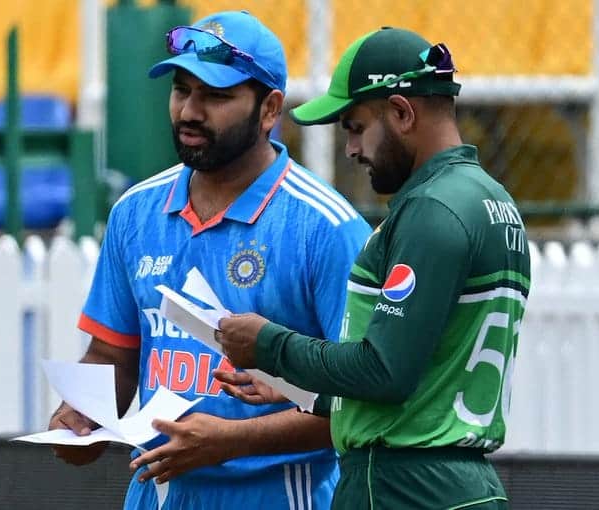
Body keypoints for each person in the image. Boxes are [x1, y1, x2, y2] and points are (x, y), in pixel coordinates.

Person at [48, 10, 371, 510]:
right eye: (181, 90)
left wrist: (234, 440)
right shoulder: (136, 212)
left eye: (216, 96)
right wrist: (81, 417)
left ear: (270, 110)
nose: (189, 112)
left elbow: (361, 402)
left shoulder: (326, 228)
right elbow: (113, 356)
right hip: (158, 496)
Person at [217, 27, 531, 510]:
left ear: (402, 112)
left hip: (400, 488)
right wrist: (299, 390)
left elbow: (384, 370)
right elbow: (429, 379)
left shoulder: (432, 209)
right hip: (463, 486)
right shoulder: (493, 200)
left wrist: (269, 346)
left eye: (356, 126)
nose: (351, 149)